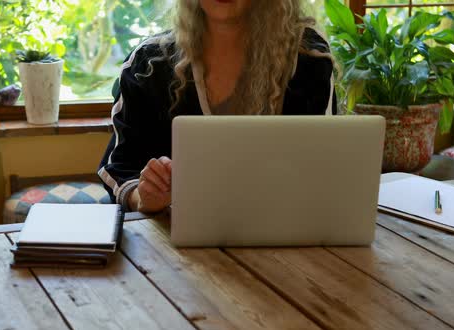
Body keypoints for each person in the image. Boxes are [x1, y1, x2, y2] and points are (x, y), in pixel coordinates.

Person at [98, 0, 336, 213]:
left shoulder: (308, 57)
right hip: (173, 243)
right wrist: (146, 198)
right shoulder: (149, 64)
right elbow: (121, 166)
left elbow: (321, 167)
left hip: (286, 231)